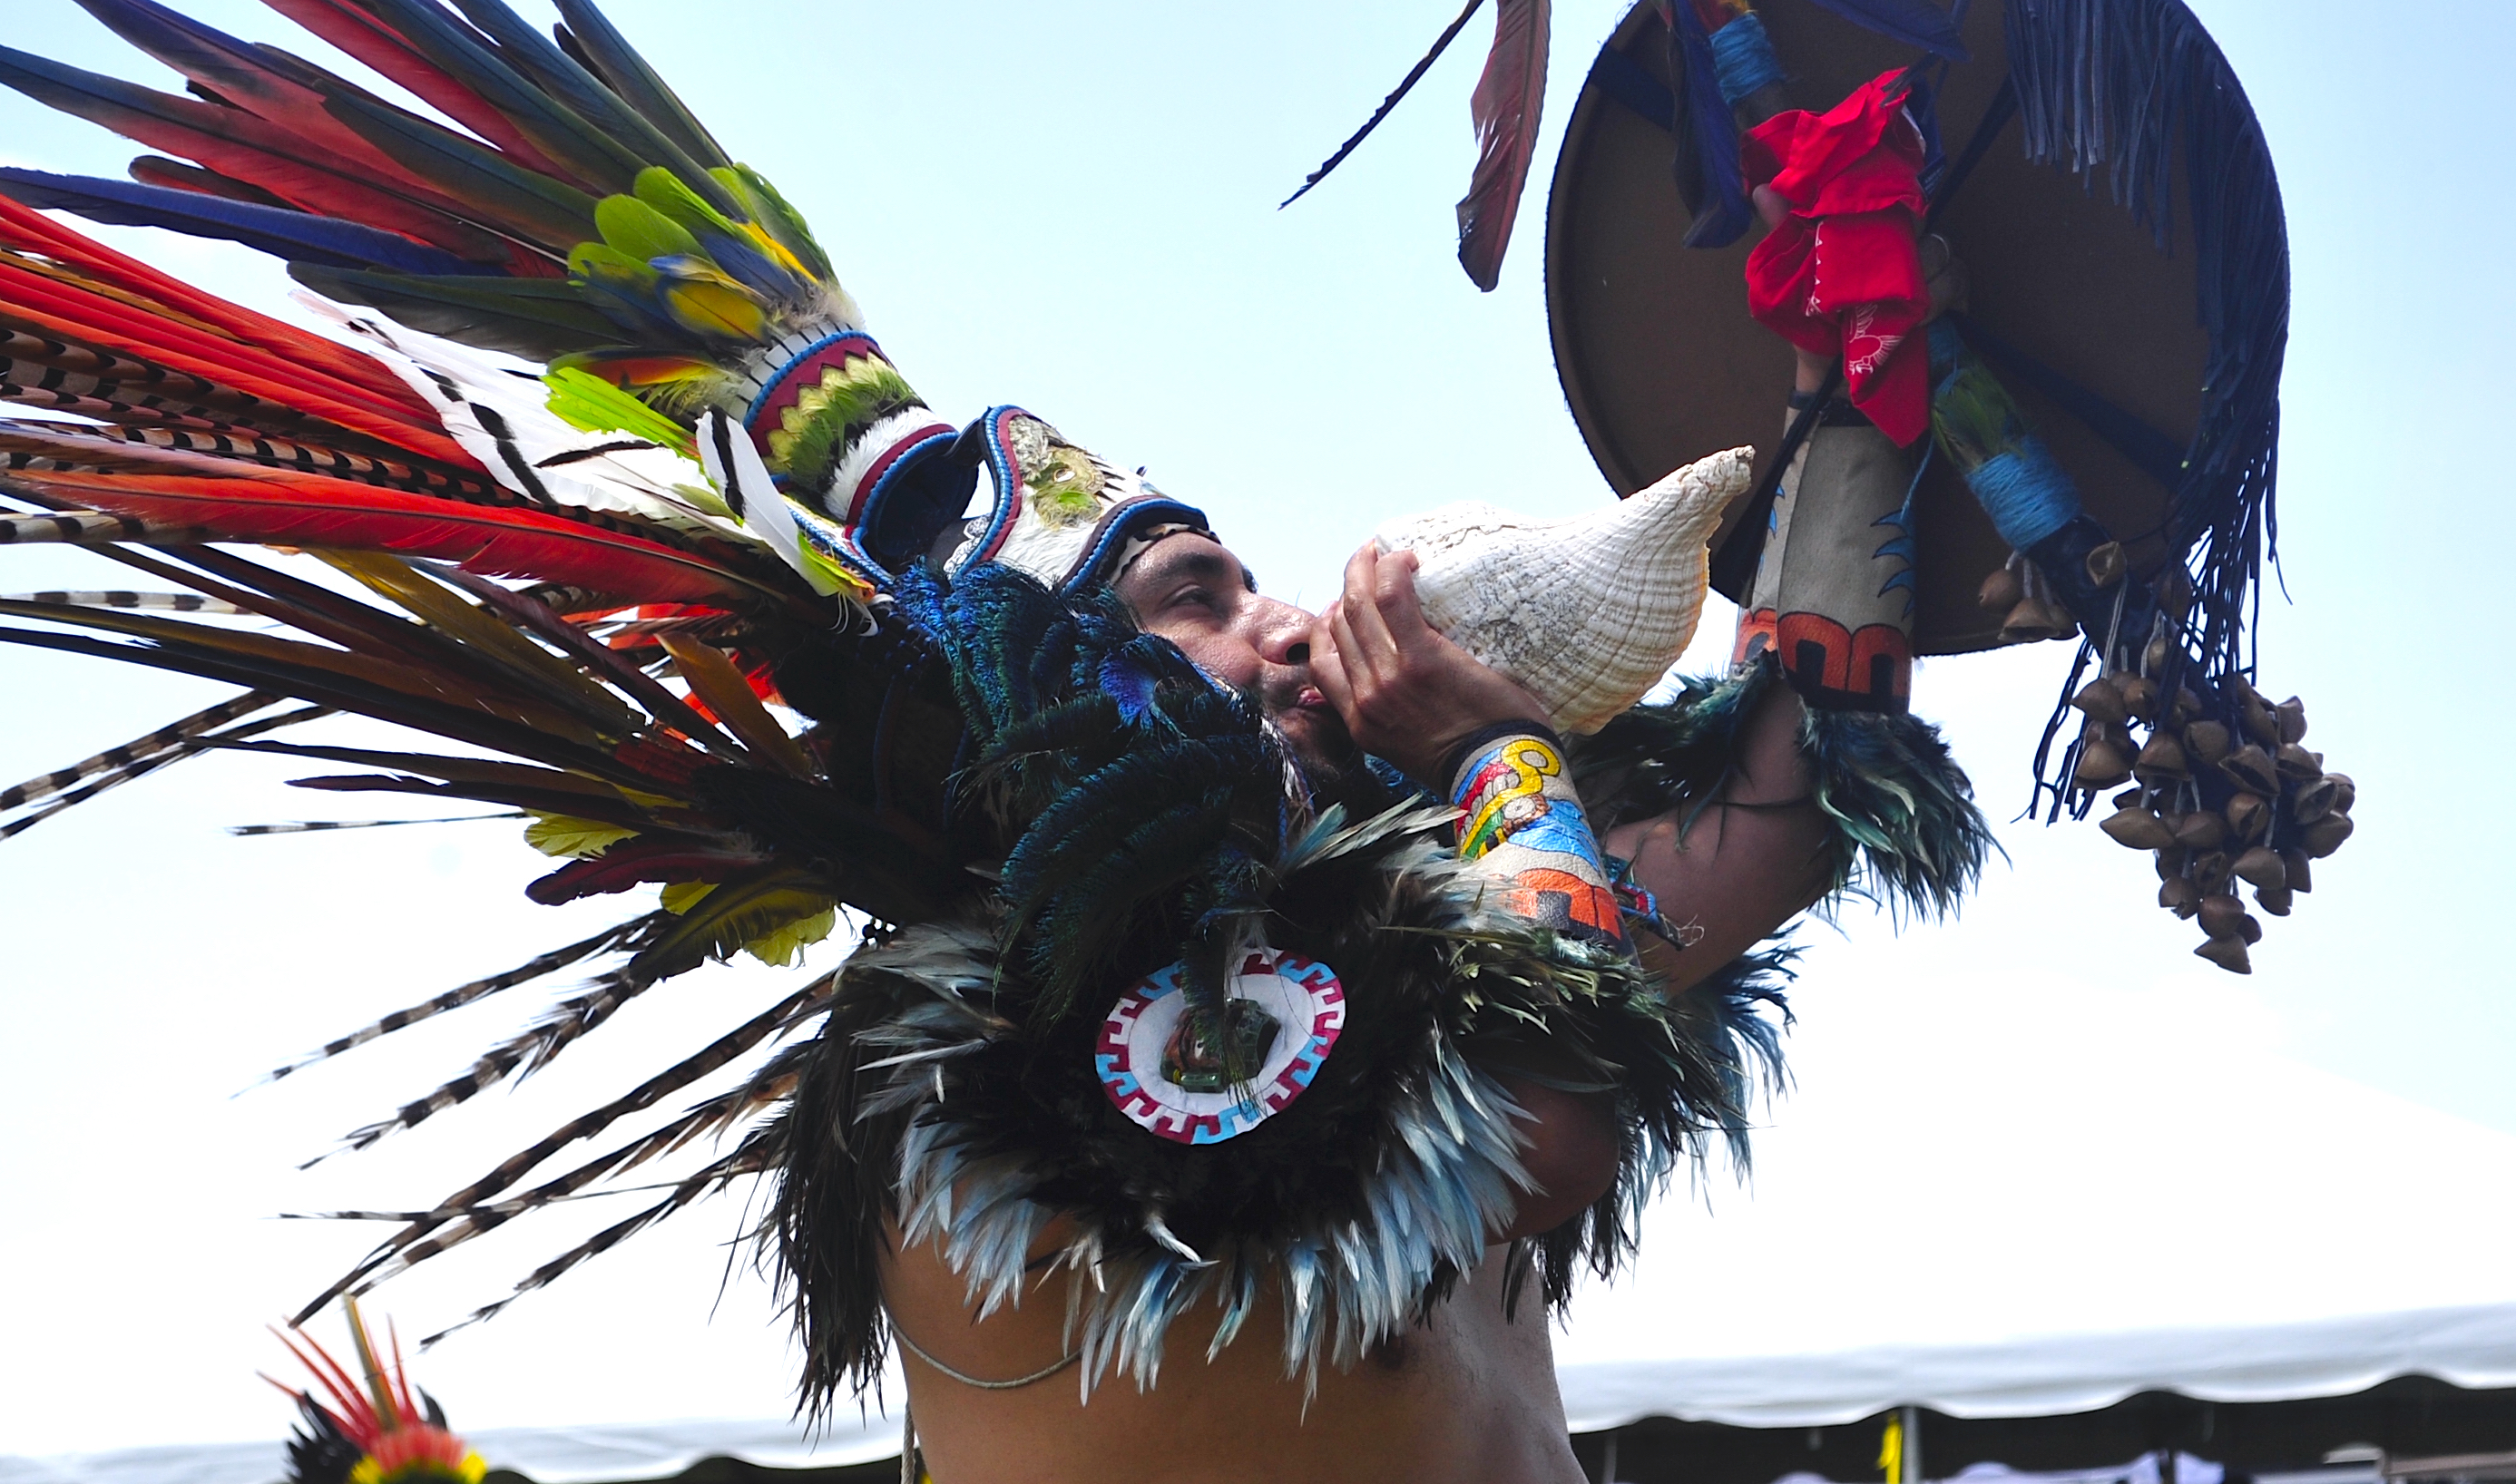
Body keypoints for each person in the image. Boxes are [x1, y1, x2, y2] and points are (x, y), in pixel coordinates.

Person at [876, 532, 1837, 1483]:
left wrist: (1832, 418)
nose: (1296, 625)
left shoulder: (1408, 947)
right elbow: (1547, 1127)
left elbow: (1775, 815)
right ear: (1032, 676)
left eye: (1255, 587)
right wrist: (1493, 752)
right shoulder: (978, 1056)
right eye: (1197, 601)